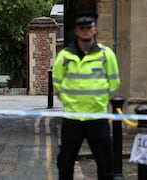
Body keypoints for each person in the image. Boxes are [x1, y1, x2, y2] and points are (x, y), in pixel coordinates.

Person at [52, 11, 120, 180]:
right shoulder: (64, 56)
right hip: (73, 116)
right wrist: (69, 102)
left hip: (97, 116)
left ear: (95, 30)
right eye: (82, 28)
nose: (85, 31)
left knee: (106, 164)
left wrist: (100, 101)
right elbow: (57, 84)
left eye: (88, 27)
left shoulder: (106, 55)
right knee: (65, 164)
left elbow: (114, 83)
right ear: (76, 31)